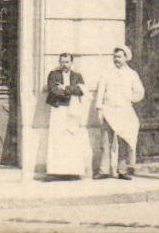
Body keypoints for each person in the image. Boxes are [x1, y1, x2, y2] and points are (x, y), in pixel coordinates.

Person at [94, 45, 144, 179]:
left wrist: (130, 99)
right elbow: (100, 92)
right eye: (115, 57)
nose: (117, 59)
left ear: (126, 58)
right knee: (105, 141)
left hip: (124, 112)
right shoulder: (106, 73)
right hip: (108, 110)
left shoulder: (132, 74)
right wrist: (99, 109)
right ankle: (104, 170)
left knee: (124, 140)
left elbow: (140, 92)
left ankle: (122, 170)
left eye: (120, 57)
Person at [43, 52, 89, 180]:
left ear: (71, 62)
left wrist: (66, 88)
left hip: (72, 110)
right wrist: (70, 91)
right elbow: (53, 90)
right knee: (56, 139)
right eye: (62, 62)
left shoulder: (77, 76)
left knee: (72, 139)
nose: (64, 65)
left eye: (67, 62)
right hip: (58, 109)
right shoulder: (53, 75)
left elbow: (81, 90)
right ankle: (55, 172)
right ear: (59, 62)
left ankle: (72, 172)